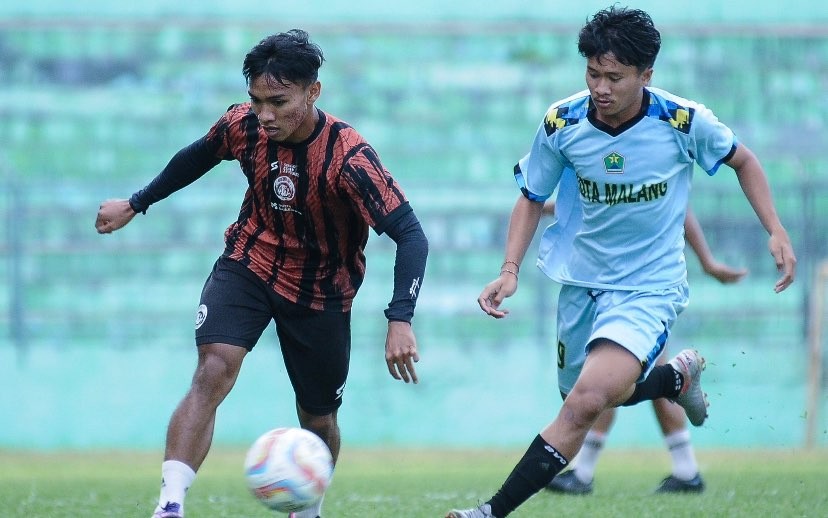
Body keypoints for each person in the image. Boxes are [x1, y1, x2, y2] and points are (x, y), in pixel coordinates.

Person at [447, 6, 795, 518]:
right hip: (581, 282)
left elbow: (743, 160)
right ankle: (675, 380)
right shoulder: (561, 122)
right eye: (593, 73)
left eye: (615, 76)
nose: (601, 87)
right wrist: (509, 270)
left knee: (584, 402)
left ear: (645, 75)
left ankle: (489, 512)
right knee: (585, 397)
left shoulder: (682, 120)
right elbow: (530, 196)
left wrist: (776, 229)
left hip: (649, 288)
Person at [95, 29, 428, 518]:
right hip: (249, 263)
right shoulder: (243, 126)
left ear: (313, 92)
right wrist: (136, 203)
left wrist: (400, 317)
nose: (265, 114)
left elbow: (411, 235)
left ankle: (307, 510)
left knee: (318, 417)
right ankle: (169, 505)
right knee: (213, 369)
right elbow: (195, 157)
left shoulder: (349, 157)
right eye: (256, 100)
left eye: (279, 101)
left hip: (321, 291)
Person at [542, 202, 747, 495]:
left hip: (641, 290)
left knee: (605, 373)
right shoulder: (615, 166)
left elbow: (678, 205)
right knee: (631, 374)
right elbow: (599, 196)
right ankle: (685, 468)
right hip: (610, 285)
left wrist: (707, 261)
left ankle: (586, 471)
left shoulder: (644, 164)